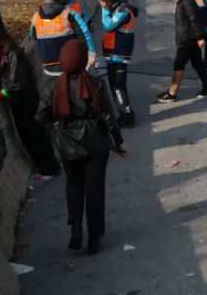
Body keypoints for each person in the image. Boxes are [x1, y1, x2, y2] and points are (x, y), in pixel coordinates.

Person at [36, 39, 127, 256]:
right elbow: (107, 115)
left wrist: (60, 121)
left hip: (67, 142)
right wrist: (118, 141)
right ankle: (94, 238)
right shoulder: (94, 84)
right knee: (94, 191)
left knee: (74, 186)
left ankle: (75, 231)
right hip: (96, 142)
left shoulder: (54, 86)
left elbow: (42, 115)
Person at [0, 25, 61, 179]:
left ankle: (49, 168)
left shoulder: (13, 54)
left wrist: (0, 94)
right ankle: (44, 166)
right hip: (17, 102)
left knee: (35, 135)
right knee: (28, 136)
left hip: (26, 101)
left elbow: (17, 82)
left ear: (1, 37)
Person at [157, 0, 207, 102]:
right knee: (198, 64)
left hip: (187, 40)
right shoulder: (184, 1)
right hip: (189, 39)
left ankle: (172, 93)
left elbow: (195, 20)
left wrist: (200, 38)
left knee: (178, 65)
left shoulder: (186, 2)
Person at [30, 0, 96, 83]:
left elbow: (33, 36)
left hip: (48, 64)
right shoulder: (69, 14)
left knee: (56, 94)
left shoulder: (36, 17)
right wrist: (91, 54)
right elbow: (84, 34)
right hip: (71, 62)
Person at [98, 0, 139, 127]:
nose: (100, 4)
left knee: (118, 87)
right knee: (115, 86)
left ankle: (127, 116)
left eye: (102, 1)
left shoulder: (123, 12)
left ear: (109, 1)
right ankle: (123, 113)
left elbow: (107, 25)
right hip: (114, 54)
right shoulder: (117, 10)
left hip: (119, 55)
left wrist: (104, 10)